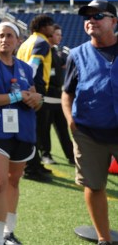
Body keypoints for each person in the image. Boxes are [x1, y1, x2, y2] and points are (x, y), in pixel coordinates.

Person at [0, 21, 43, 245]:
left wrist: (36, 99)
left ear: (18, 41)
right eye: (1, 35)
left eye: (10, 36)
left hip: (22, 129)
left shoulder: (25, 68)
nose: (5, 39)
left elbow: (32, 97)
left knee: (14, 181)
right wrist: (17, 96)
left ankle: (8, 233)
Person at [62, 0, 118, 245]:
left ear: (114, 21)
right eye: (88, 17)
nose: (91, 21)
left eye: (98, 16)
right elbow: (67, 92)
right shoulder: (76, 54)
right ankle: (103, 238)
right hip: (88, 131)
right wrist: (71, 122)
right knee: (94, 186)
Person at [16, 13, 55, 182]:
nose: (53, 29)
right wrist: (31, 87)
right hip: (35, 88)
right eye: (51, 25)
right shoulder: (41, 42)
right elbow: (33, 65)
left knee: (32, 128)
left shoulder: (26, 42)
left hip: (25, 87)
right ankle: (31, 168)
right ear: (44, 27)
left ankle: (35, 164)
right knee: (36, 130)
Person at [39, 24, 74, 165]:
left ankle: (71, 156)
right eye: (57, 34)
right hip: (46, 93)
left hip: (58, 94)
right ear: (50, 35)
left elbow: (64, 63)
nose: (60, 37)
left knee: (62, 126)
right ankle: (45, 154)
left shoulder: (55, 51)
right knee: (44, 126)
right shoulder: (43, 50)